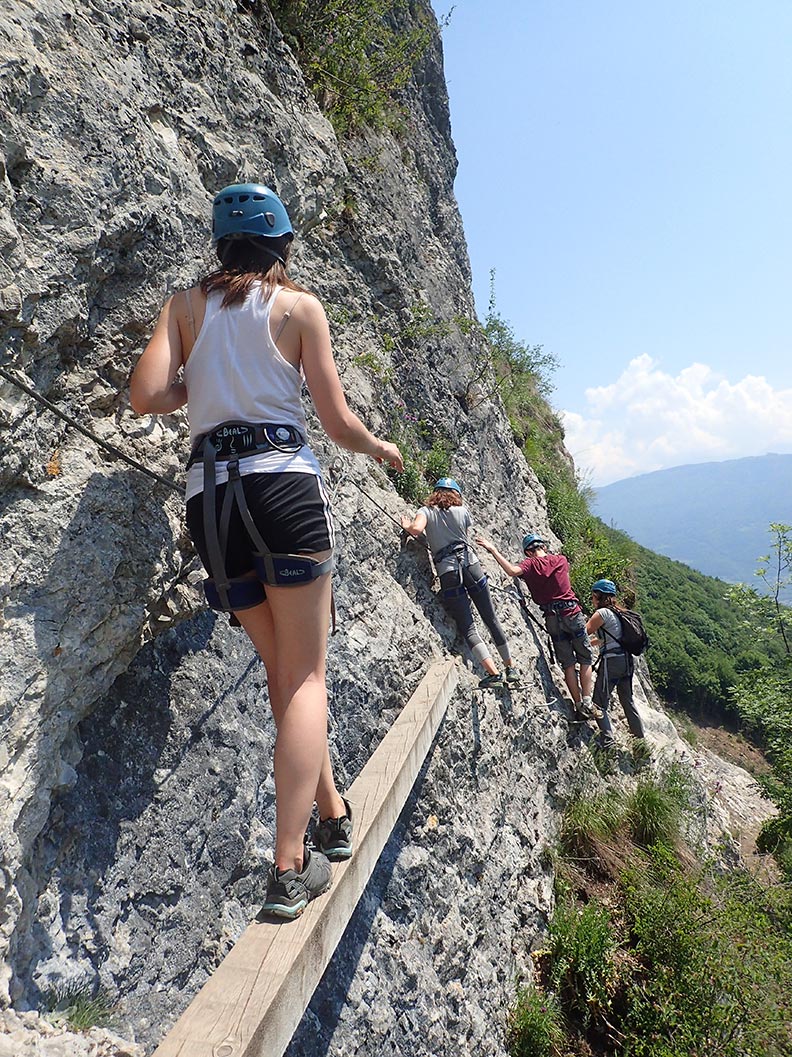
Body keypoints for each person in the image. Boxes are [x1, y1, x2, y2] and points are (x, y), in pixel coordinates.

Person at [130, 182, 403, 918]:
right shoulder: (299, 308)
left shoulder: (186, 306)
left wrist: (206, 382)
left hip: (210, 498)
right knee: (308, 674)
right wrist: (379, 447)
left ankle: (334, 817)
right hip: (282, 487)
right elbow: (336, 420)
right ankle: (289, 865)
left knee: (283, 671)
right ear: (282, 243)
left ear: (219, 244)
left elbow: (147, 395)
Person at [401, 478, 518, 688]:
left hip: (449, 572)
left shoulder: (426, 511)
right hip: (471, 566)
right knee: (490, 618)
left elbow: (416, 530)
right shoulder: (462, 511)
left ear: (435, 492)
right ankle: (510, 667)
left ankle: (493, 674)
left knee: (469, 627)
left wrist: (407, 525)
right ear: (456, 494)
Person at [475, 532, 596, 718]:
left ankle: (578, 704)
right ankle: (588, 700)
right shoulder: (561, 560)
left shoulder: (529, 565)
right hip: (572, 612)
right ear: (544, 547)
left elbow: (513, 572)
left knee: (568, 664)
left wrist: (493, 549)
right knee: (585, 657)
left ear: (527, 552)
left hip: (552, 617)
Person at [586, 579, 646, 749]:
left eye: (593, 596)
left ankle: (608, 742)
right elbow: (610, 638)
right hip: (627, 661)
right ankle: (640, 742)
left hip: (612, 662)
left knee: (599, 703)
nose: (592, 599)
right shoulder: (619, 613)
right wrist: (593, 643)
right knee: (627, 700)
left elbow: (583, 633)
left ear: (598, 595)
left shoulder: (601, 614)